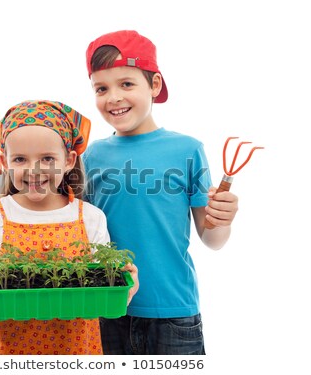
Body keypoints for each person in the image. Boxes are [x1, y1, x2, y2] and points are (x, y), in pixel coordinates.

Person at [82, 30, 239, 355]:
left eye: (126, 84)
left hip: (173, 312)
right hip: (106, 306)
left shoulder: (187, 150)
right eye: (101, 88)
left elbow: (212, 239)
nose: (113, 97)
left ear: (154, 84)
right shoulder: (91, 156)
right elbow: (74, 228)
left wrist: (221, 219)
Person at [0, 100, 138, 355]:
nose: (34, 169)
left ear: (69, 160)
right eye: (20, 159)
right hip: (13, 354)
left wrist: (126, 286)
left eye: (48, 158)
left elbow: (105, 290)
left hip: (79, 352)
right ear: (4, 162)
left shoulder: (90, 217)